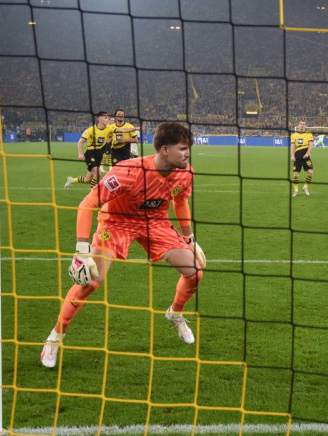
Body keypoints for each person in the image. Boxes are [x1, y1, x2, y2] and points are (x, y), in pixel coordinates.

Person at [41, 122, 206, 368]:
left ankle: (175, 313)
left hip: (155, 222)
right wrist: (82, 250)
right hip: (116, 223)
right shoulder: (127, 171)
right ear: (164, 149)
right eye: (183, 148)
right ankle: (55, 336)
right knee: (90, 281)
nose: (187, 153)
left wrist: (190, 238)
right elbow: (87, 204)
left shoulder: (185, 172)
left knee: (195, 272)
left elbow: (180, 202)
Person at [65, 111, 137, 190]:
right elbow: (80, 142)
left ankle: (72, 180)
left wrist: (134, 128)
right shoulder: (91, 130)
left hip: (99, 155)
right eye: (105, 118)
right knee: (98, 173)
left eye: (108, 118)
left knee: (88, 179)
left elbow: (122, 130)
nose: (107, 119)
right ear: (99, 118)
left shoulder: (109, 128)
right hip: (90, 154)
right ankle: (94, 194)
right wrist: (80, 154)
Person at [290, 121, 314, 196]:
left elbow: (311, 144)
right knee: (296, 173)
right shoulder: (294, 135)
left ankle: (305, 187)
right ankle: (296, 191)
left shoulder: (309, 134)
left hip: (306, 156)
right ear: (298, 125)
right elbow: (293, 146)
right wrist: (292, 155)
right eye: (301, 124)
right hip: (297, 155)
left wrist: (307, 153)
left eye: (303, 124)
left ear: (305, 126)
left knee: (310, 172)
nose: (302, 126)